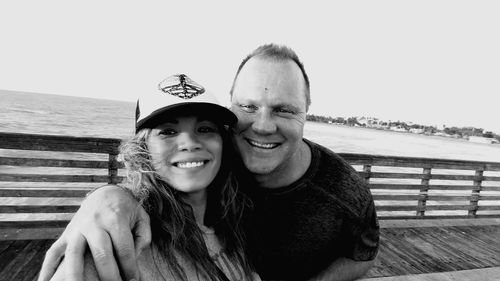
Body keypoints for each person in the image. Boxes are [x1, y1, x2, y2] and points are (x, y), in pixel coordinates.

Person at [39, 44, 379, 281]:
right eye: (168, 131)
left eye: (284, 109)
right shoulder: (119, 239)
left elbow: (364, 254)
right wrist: (107, 197)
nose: (262, 125)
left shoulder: (341, 194)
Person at [47, 74, 260, 281]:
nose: (189, 143)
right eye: (168, 132)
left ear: (223, 144)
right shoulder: (122, 239)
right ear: (144, 149)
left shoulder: (232, 221)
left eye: (205, 129)